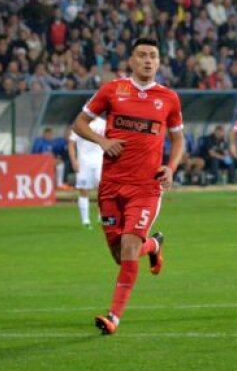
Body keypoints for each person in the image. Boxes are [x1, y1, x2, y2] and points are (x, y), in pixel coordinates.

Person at [73, 37, 184, 336]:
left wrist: (170, 168)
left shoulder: (169, 98)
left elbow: (179, 139)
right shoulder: (113, 90)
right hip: (110, 185)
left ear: (159, 62)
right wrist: (103, 141)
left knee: (129, 247)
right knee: (120, 255)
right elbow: (79, 124)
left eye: (153, 56)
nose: (148, 60)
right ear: (132, 60)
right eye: (142, 55)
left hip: (146, 187)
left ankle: (113, 318)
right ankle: (155, 245)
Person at [68, 115, 107, 228]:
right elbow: (71, 142)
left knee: (104, 190)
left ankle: (102, 217)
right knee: (83, 191)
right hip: (84, 162)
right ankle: (85, 221)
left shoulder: (103, 124)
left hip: (100, 161)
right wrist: (74, 160)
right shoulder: (79, 123)